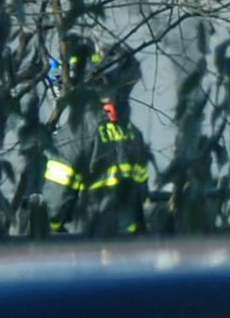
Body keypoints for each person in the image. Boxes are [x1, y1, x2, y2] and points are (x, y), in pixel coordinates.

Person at [41, 39, 153, 236]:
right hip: (128, 246)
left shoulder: (73, 137)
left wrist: (45, 237)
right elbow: (142, 195)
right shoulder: (134, 136)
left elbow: (54, 207)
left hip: (86, 246)